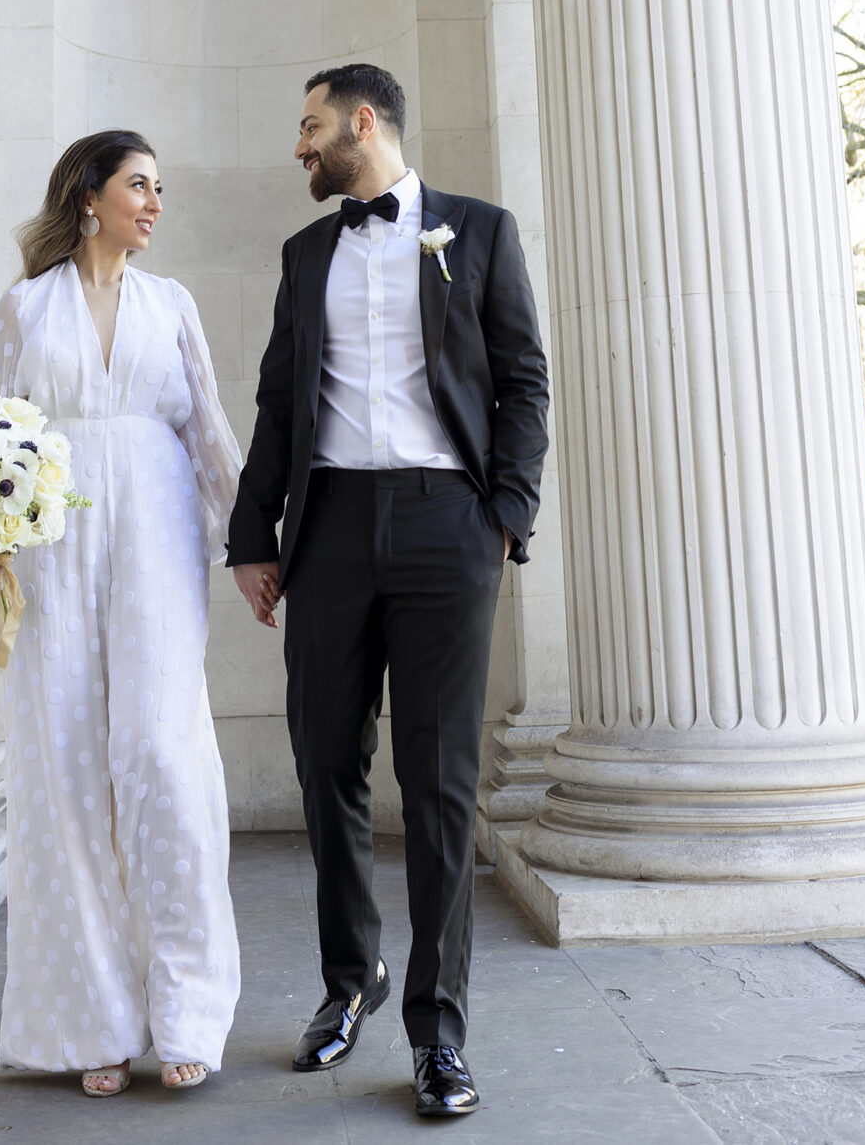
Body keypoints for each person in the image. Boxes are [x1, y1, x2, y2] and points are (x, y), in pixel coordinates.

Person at [227, 65, 549, 1120]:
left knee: (440, 777)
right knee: (325, 760)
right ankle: (346, 978)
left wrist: (502, 509)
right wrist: (252, 533)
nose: (299, 146)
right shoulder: (304, 251)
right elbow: (279, 399)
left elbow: (521, 381)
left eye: (310, 125)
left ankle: (438, 1028)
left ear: (362, 123)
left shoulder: (479, 232)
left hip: (444, 526)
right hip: (325, 534)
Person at [0, 130, 242, 1096]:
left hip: (160, 534)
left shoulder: (173, 304)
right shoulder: (26, 306)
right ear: (91, 196)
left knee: (164, 756)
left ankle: (187, 1009)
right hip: (54, 543)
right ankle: (90, 1017)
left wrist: (252, 549)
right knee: (66, 757)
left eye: (159, 187)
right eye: (140, 185)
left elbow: (206, 426)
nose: (155, 203)